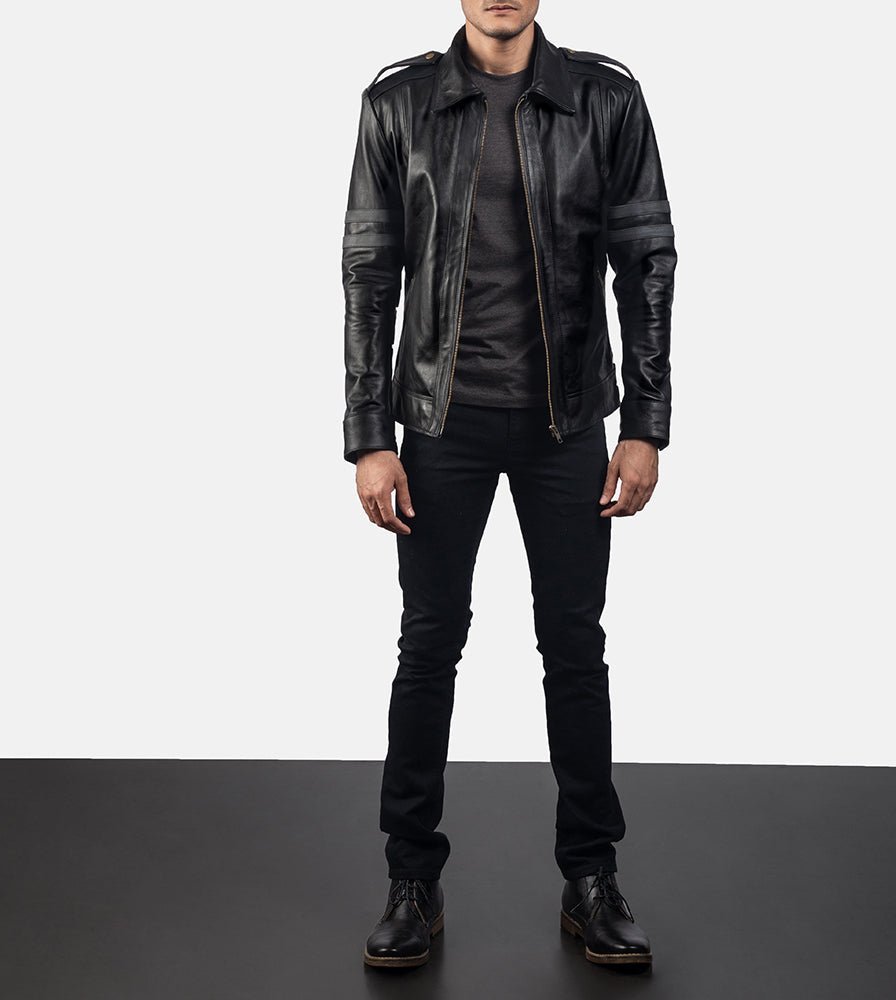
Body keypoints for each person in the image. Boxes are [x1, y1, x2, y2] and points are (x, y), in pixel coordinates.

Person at [343, 0, 676, 971]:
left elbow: (645, 263)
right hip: (439, 423)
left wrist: (644, 423)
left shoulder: (603, 100)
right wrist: (369, 434)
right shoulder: (398, 103)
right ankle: (411, 879)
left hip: (565, 425)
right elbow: (369, 273)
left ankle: (591, 877)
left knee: (574, 648)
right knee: (428, 646)